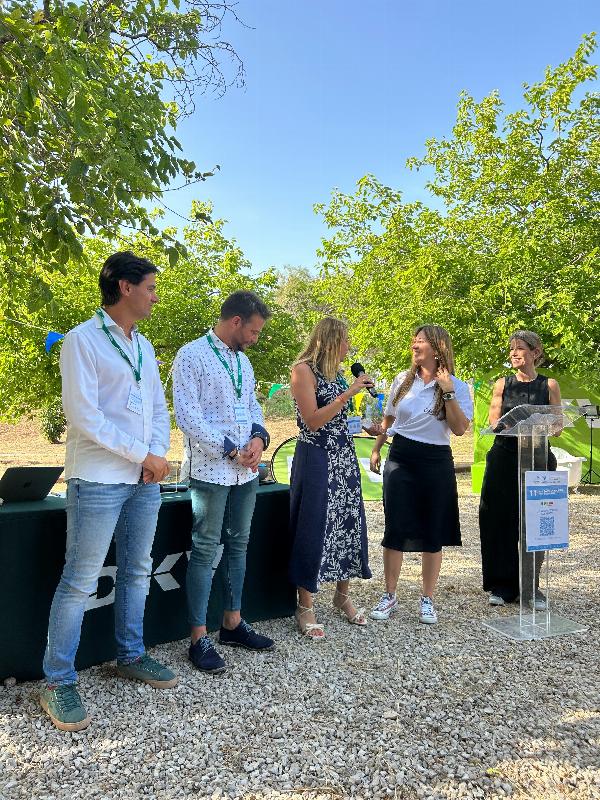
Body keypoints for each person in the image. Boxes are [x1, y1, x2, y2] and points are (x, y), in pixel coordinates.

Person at [41, 252, 176, 733]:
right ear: (124, 287)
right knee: (80, 581)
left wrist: (155, 455)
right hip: (98, 478)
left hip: (143, 480)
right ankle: (57, 681)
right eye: (151, 288)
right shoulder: (82, 339)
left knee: (138, 571)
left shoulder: (144, 345)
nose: (155, 297)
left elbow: (158, 408)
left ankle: (130, 655)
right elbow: (84, 416)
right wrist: (143, 455)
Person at [172, 291, 274, 674]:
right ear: (235, 322)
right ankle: (198, 637)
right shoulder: (191, 355)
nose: (255, 339)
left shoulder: (243, 362)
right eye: (254, 331)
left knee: (238, 544)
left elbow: (252, 406)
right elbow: (188, 417)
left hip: (245, 471)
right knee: (204, 549)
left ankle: (232, 623)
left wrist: (259, 439)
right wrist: (230, 449)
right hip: (211, 470)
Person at [369, 325, 472, 625]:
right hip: (401, 456)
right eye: (413, 340)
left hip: (435, 460)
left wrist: (447, 391)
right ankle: (390, 595)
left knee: (432, 530)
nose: (414, 345)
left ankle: (427, 599)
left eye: (421, 341)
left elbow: (459, 428)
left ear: (438, 349)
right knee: (395, 526)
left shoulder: (457, 386)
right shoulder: (403, 380)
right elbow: (389, 419)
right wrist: (377, 446)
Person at [288, 317, 373, 640]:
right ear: (329, 341)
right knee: (314, 525)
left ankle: (342, 596)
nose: (349, 346)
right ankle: (305, 605)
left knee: (347, 523)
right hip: (316, 457)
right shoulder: (303, 371)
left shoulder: (336, 374)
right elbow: (312, 421)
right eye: (345, 340)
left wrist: (366, 425)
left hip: (344, 456)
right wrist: (349, 393)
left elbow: (339, 417)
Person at [479, 331, 561, 608]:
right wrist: (507, 425)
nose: (513, 353)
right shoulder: (502, 384)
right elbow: (494, 421)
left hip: (538, 459)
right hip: (504, 458)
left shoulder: (549, 385)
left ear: (535, 352)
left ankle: (531, 587)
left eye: (520, 348)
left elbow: (558, 425)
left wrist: (544, 424)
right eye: (511, 349)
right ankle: (502, 587)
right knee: (499, 521)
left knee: (537, 522)